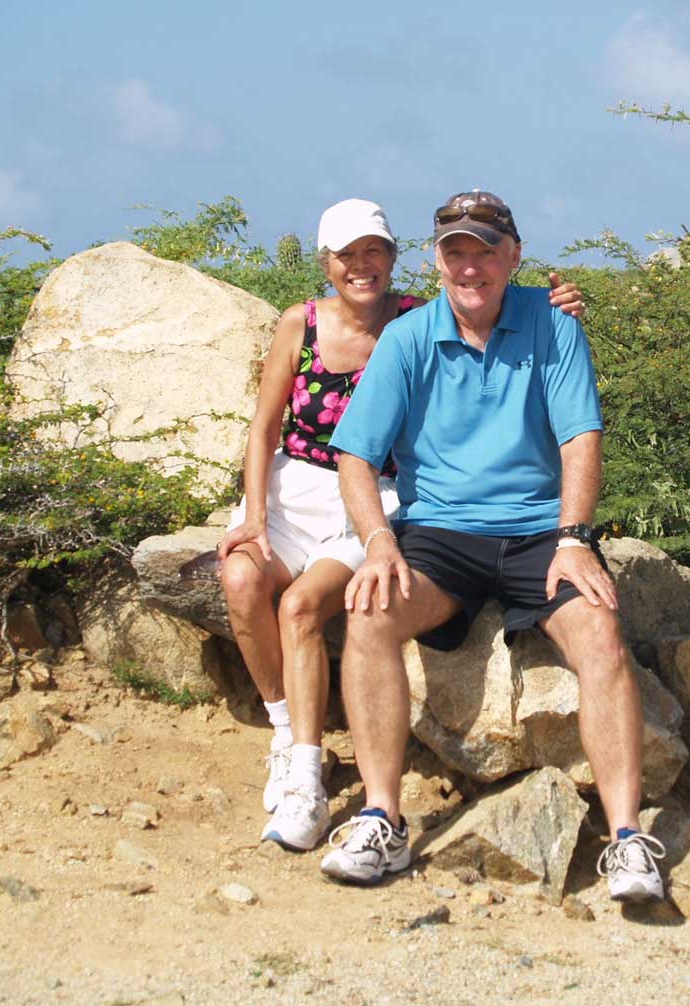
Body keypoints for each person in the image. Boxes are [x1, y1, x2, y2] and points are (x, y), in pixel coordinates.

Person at [322, 190, 667, 902]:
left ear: (514, 256)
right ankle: (382, 818)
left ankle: (629, 839)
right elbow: (355, 453)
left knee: (600, 634)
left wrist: (575, 537)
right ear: (437, 260)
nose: (471, 267)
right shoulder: (410, 338)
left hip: (542, 530)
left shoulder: (555, 325)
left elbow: (580, 437)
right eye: (456, 252)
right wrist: (379, 541)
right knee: (370, 617)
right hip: (441, 534)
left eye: (485, 251)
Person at [216, 197, 586, 853]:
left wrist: (556, 309)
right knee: (242, 581)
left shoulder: (417, 316)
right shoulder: (298, 324)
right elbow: (264, 426)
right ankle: (284, 728)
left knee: (302, 606)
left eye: (373, 252)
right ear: (325, 262)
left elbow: (492, 298)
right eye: (346, 254)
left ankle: (306, 775)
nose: (361, 266)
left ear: (392, 257)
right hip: (293, 486)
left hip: (370, 494)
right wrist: (253, 516)